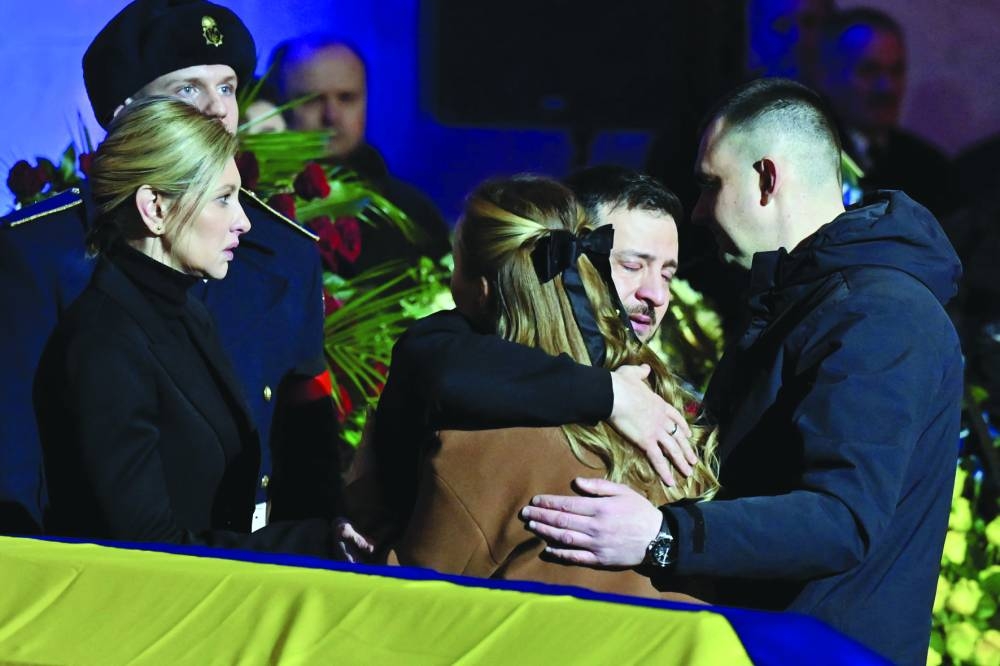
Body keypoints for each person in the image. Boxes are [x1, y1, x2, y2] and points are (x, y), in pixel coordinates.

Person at [520, 78, 963, 665]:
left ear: (766, 179)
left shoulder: (879, 313)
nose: (699, 210)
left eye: (710, 184)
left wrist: (660, 537)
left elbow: (841, 518)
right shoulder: (808, 301)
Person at [0, 0, 339, 536]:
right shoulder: (39, 255)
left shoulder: (283, 253)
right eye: (187, 90)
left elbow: (305, 455)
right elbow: (15, 472)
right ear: (123, 113)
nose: (216, 110)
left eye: (226, 88)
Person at [352, 175, 715, 601]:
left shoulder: (672, 407)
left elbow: (404, 604)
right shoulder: (469, 379)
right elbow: (436, 361)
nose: (655, 293)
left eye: (668, 274)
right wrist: (611, 394)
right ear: (580, 264)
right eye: (632, 265)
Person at [34, 97, 365, 559]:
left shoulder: (183, 312)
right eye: (223, 199)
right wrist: (306, 543)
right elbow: (147, 549)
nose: (244, 222)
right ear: (154, 207)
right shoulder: (106, 345)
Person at [269, 35, 451, 275]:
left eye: (346, 98)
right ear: (277, 105)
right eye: (312, 100)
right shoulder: (254, 210)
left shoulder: (413, 214)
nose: (331, 115)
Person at [816, 7, 955, 218]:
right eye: (869, 71)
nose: (886, 87)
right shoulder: (810, 160)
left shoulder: (930, 168)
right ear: (827, 75)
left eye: (896, 71)